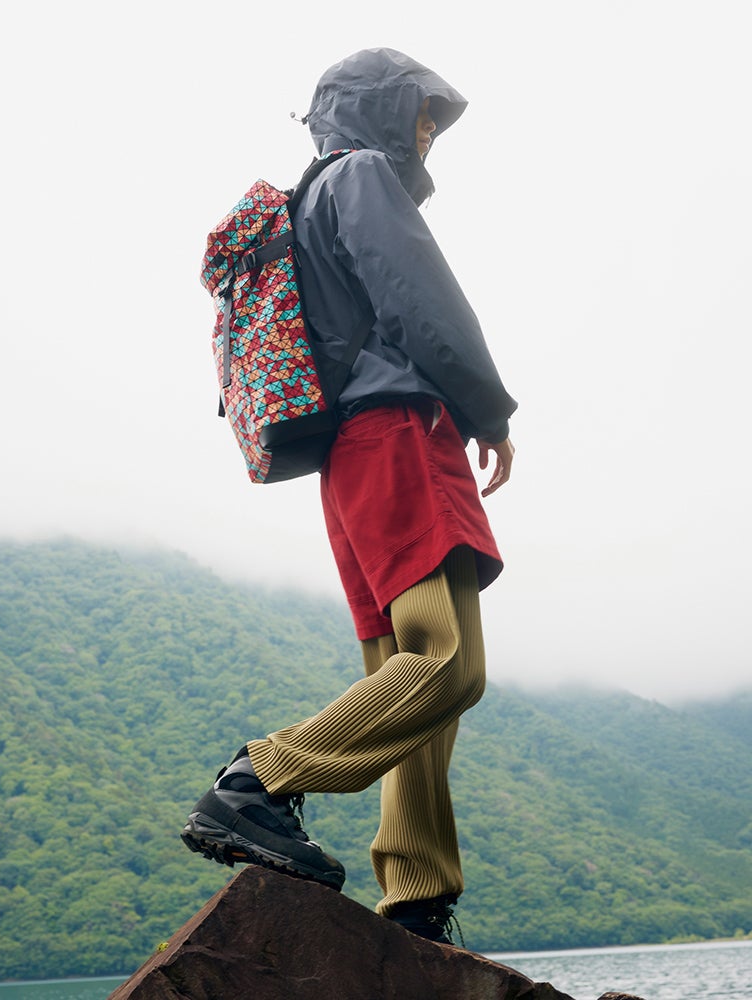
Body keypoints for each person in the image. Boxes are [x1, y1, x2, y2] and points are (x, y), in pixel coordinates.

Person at [182, 47, 518, 945]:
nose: (428, 134)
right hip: (399, 436)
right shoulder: (362, 177)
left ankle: (416, 895)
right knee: (449, 663)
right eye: (420, 113)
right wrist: (488, 406)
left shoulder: (303, 204)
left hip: (347, 465)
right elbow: (419, 298)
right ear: (375, 110)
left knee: (402, 680)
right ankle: (259, 781)